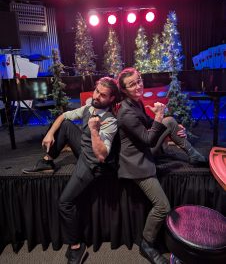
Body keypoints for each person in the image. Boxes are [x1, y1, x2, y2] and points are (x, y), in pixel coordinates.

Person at [22, 77, 119, 264]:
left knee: (64, 202)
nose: (97, 96)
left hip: (92, 164)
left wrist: (94, 131)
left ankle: (76, 246)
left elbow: (101, 156)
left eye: (103, 95)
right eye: (97, 91)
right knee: (65, 124)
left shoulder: (110, 122)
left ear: (112, 98)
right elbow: (64, 116)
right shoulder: (90, 105)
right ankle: (47, 162)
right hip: (84, 149)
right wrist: (50, 133)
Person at [116, 67, 206, 264]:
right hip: (136, 162)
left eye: (139, 80)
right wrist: (159, 116)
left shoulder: (135, 102)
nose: (139, 85)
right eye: (132, 84)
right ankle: (146, 244)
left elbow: (149, 123)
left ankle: (193, 155)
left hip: (145, 150)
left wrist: (171, 126)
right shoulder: (125, 113)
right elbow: (148, 138)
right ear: (123, 90)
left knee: (171, 121)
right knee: (163, 207)